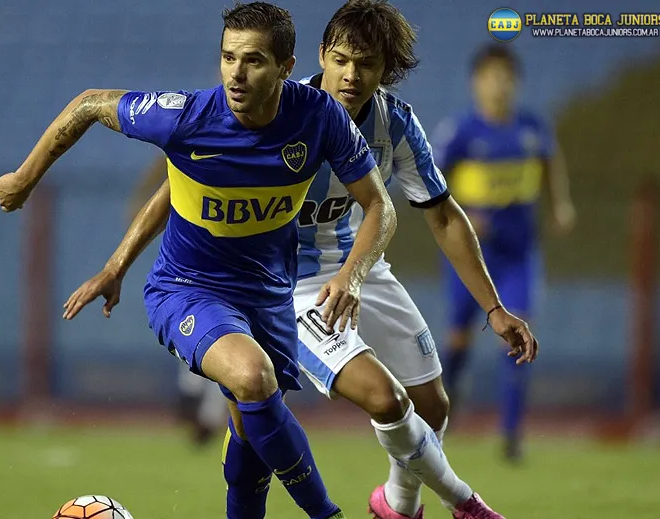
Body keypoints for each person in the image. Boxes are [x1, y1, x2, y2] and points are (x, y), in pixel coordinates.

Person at [129, 2, 538, 518]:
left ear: (385, 70)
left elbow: (444, 216)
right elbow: (182, 186)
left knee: (432, 407)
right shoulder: (276, 104)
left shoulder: (396, 124)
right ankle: (465, 503)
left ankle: (396, 505)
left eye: (365, 64)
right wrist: (121, 261)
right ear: (320, 56)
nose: (349, 75)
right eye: (340, 60)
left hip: (358, 268)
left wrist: (495, 308)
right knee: (381, 399)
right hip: (285, 286)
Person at [0, 3, 399, 519]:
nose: (236, 73)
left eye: (253, 60)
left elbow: (380, 207)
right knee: (252, 378)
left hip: (269, 297)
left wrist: (353, 275)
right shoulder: (184, 117)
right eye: (228, 57)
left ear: (287, 67)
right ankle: (327, 514)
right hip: (188, 288)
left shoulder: (320, 118)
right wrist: (25, 179)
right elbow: (90, 103)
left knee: (251, 443)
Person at [433, 43, 576, 462]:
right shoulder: (459, 131)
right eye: (492, 76)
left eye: (507, 77)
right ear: (475, 82)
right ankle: (448, 404)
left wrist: (561, 203)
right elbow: (429, 183)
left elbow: (552, 163)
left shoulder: (531, 127)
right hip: (471, 254)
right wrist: (462, 212)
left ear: (516, 82)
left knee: (517, 336)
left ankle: (512, 435)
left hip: (518, 252)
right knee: (458, 337)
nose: (500, 85)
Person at [130, 155, 228, 448]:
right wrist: (140, 199)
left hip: (227, 247)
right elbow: (164, 163)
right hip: (196, 247)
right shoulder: (195, 137)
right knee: (205, 325)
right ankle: (198, 402)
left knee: (219, 329)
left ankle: (202, 406)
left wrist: (139, 198)